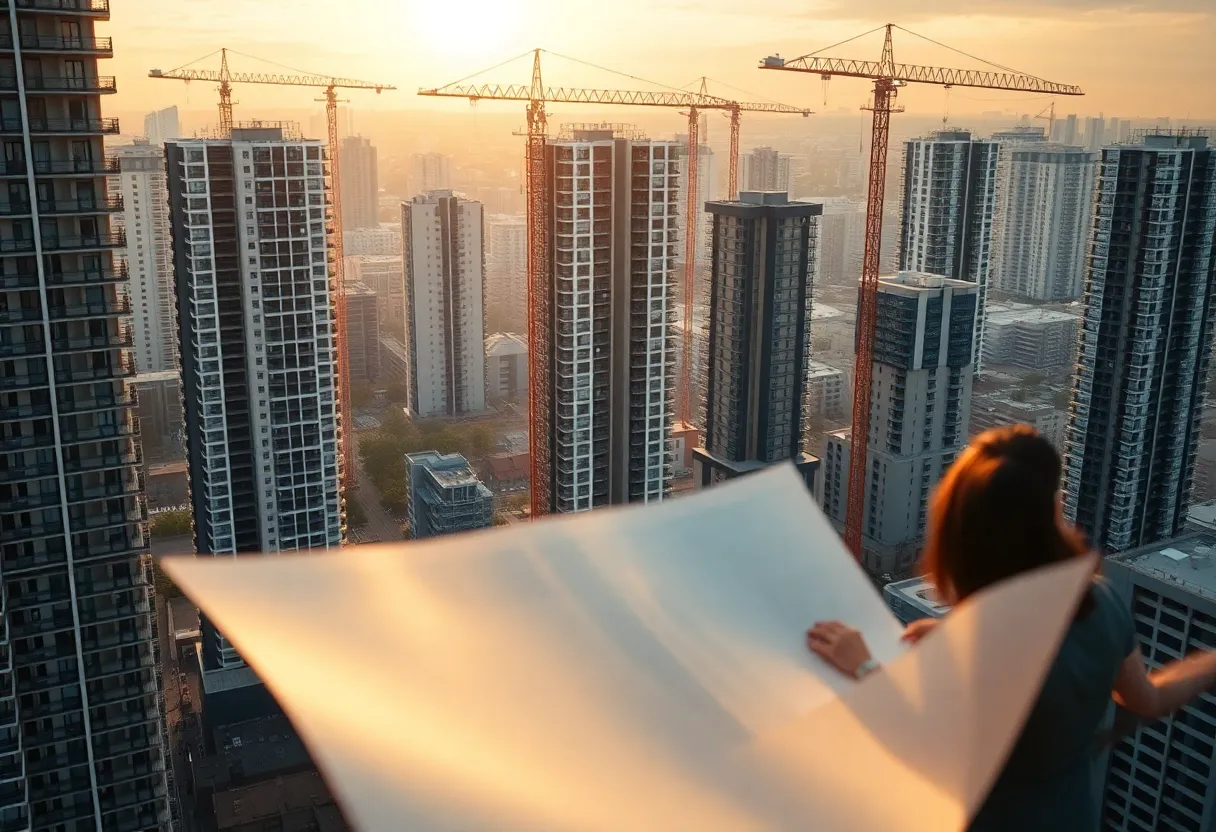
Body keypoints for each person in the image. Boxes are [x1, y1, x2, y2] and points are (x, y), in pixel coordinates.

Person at [807, 425, 1216, 832]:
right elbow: (1147, 699)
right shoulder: (1100, 601)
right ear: (1053, 510)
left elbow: (923, 755)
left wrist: (864, 668)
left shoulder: (986, 651)